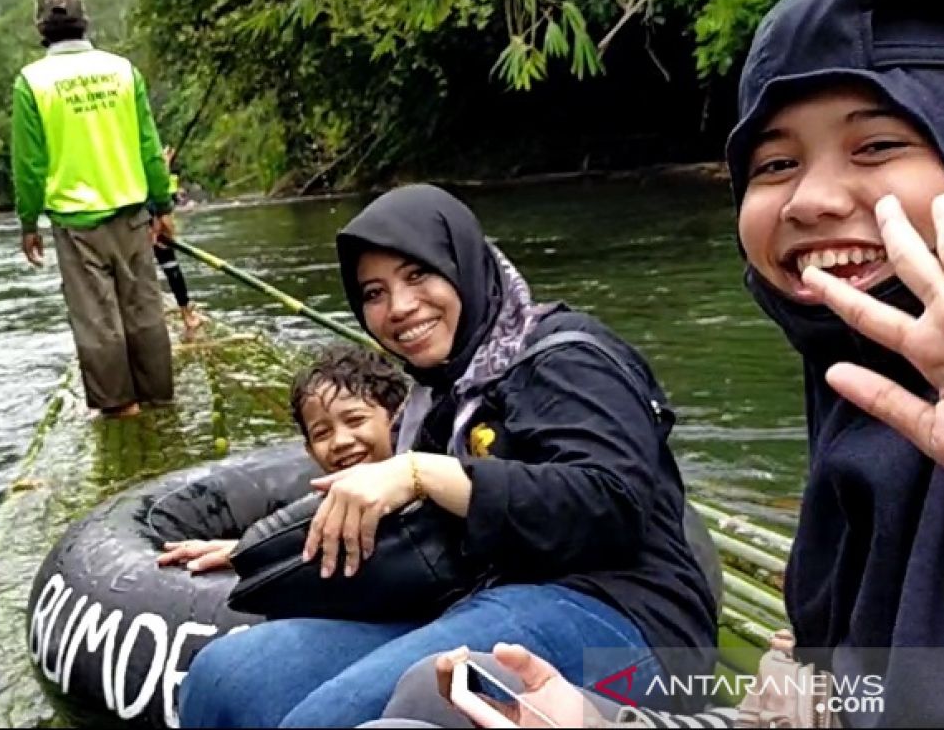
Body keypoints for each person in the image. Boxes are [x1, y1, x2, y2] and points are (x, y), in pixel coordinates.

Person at [401, 0, 944, 729]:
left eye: (877, 145)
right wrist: (603, 723)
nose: (810, 199)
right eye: (775, 163)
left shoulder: (569, 358)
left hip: (632, 618)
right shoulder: (850, 423)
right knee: (426, 703)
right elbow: (839, 710)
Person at [176, 184, 718, 728]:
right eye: (374, 293)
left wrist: (422, 472)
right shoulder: (436, 400)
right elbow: (412, 535)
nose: (400, 308)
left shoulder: (568, 355)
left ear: (461, 265)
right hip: (482, 599)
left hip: (627, 620)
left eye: (417, 275)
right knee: (225, 674)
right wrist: (263, 548)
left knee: (324, 720)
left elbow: (612, 503)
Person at [12, 0, 175, 418]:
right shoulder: (123, 70)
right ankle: (158, 397)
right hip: (133, 211)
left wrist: (28, 222)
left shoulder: (32, 82)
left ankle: (120, 406)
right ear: (85, 22)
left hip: (76, 220)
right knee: (143, 310)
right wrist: (163, 205)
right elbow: (148, 146)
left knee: (97, 319)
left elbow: (29, 166)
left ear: (40, 28)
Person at [157, 343, 409, 571]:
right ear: (309, 451)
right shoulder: (323, 506)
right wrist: (246, 550)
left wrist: (255, 551)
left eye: (355, 420)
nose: (340, 441)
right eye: (321, 434)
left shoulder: (428, 479)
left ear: (398, 419)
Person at [155, 146, 205, 335]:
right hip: (147, 211)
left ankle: (186, 315)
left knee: (168, 265)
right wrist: (160, 213)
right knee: (170, 265)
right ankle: (187, 316)